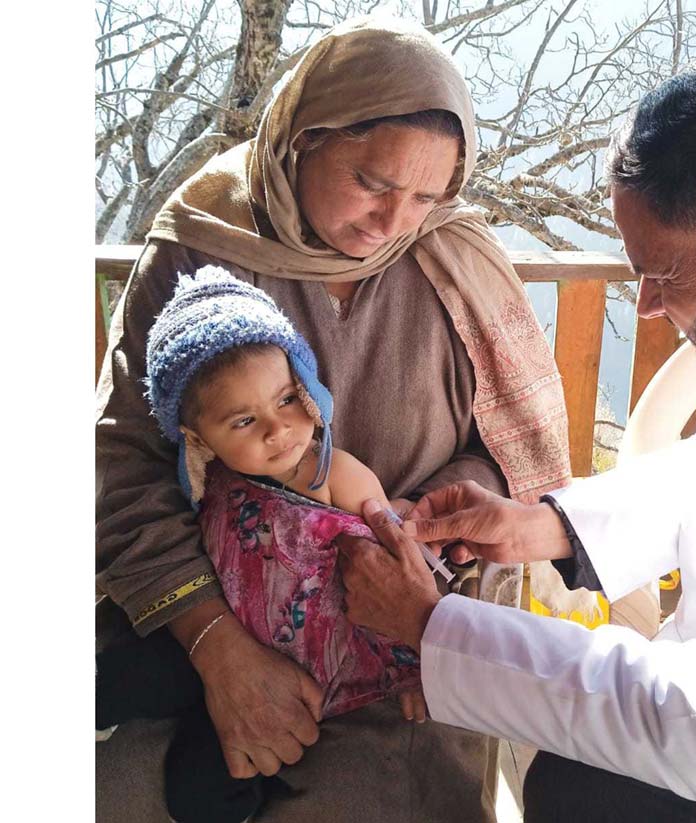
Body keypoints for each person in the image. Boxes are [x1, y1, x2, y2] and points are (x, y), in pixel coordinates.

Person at [338, 27, 696, 823]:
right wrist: (549, 527)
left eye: (662, 273)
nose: (644, 305)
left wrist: (432, 624)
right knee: (575, 786)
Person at [95, 16, 572, 823]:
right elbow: (123, 463)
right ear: (300, 139)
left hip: (388, 638)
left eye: (426, 195)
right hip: (199, 621)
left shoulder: (453, 263)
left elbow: (508, 461)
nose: (394, 222)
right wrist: (216, 648)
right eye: (372, 182)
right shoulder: (200, 249)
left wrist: (422, 525)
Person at [99, 267, 437, 822]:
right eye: (244, 420)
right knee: (121, 679)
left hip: (308, 668)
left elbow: (399, 564)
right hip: (213, 652)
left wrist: (420, 664)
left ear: (306, 387)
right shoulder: (209, 489)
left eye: (286, 400)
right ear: (199, 439)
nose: (278, 431)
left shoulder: (336, 477)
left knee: (203, 792)